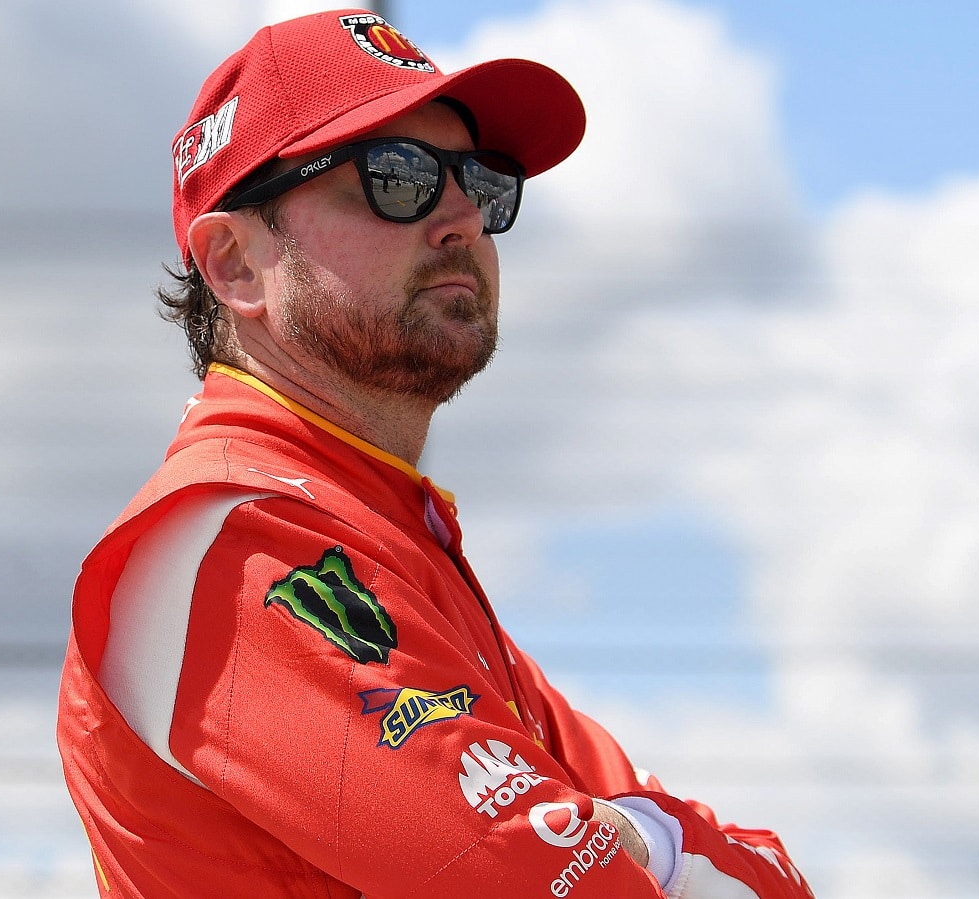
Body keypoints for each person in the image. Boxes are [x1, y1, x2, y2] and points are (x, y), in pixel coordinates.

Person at [57, 9, 813, 898]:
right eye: (397, 177)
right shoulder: (233, 541)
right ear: (235, 264)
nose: (463, 217)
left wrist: (641, 836)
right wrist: (648, 845)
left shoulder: (391, 540)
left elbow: (764, 874)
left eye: (482, 183)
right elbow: (557, 883)